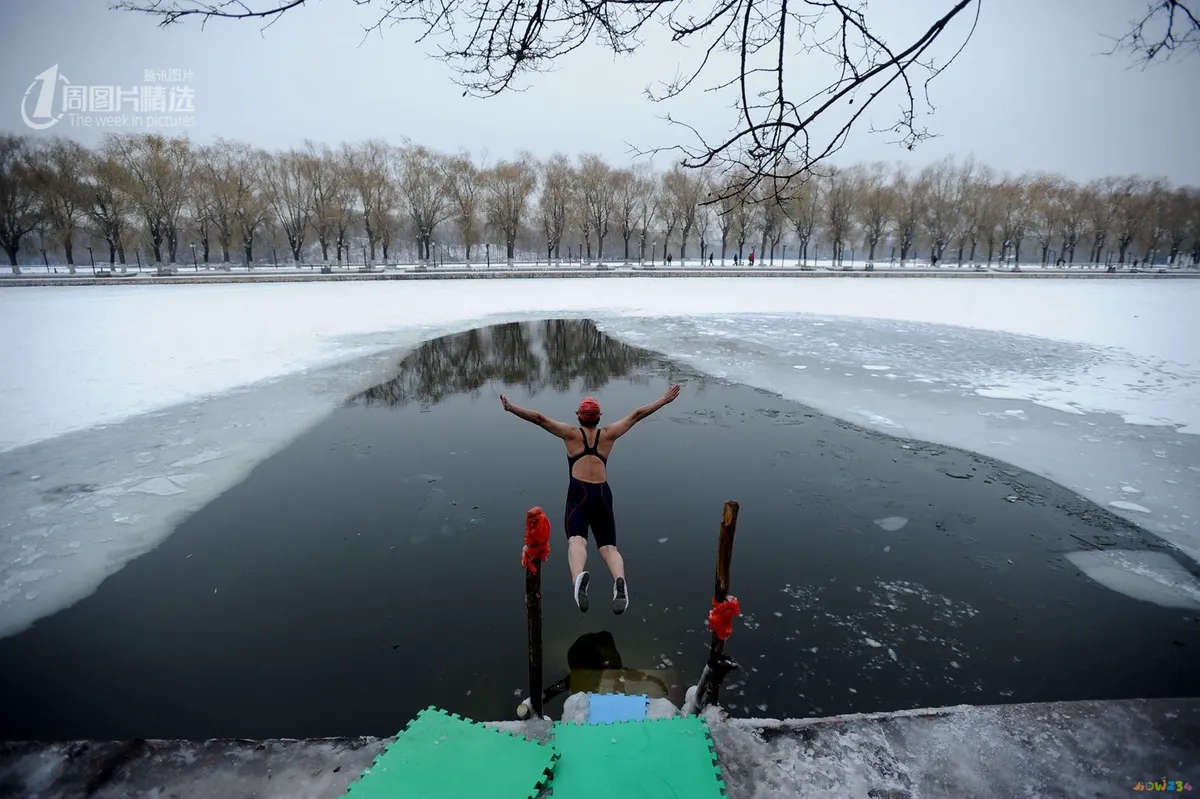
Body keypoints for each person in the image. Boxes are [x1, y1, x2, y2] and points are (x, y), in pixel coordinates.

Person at [500, 385, 682, 614]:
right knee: (608, 547)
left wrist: (511, 407)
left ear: (578, 416)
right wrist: (663, 400)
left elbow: (539, 418)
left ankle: (578, 578)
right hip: (603, 495)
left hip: (579, 494)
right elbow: (636, 415)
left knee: (577, 541)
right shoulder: (608, 434)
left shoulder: (570, 434)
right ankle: (619, 580)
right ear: (598, 418)